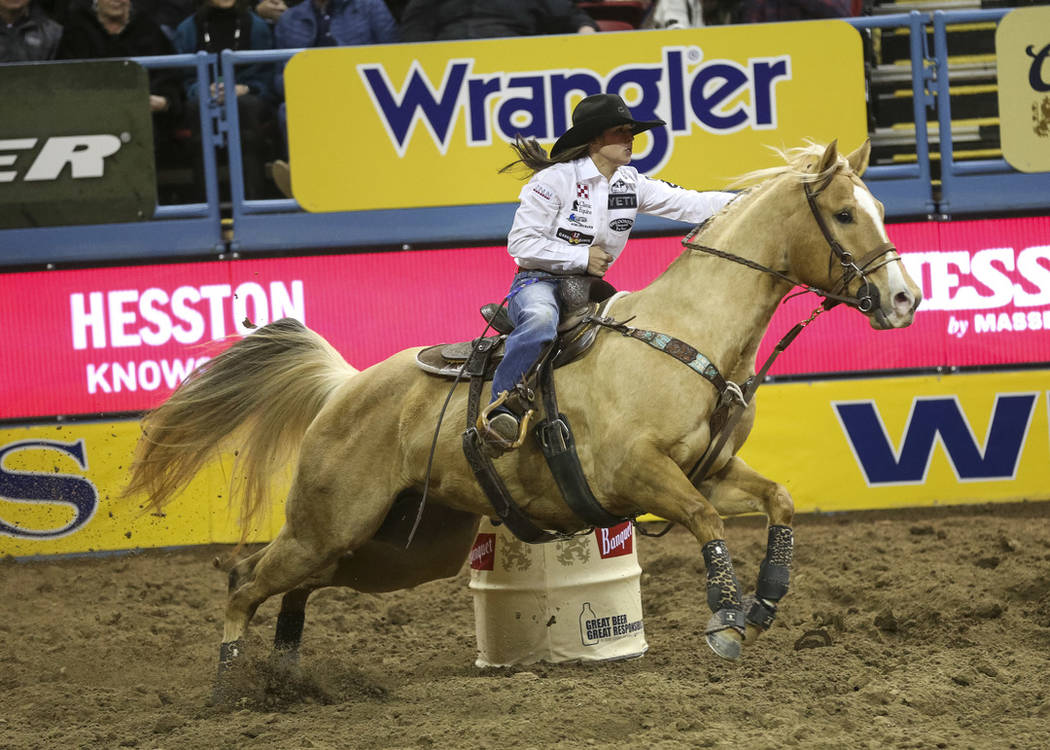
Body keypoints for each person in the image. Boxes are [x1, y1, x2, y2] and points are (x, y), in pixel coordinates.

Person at [483, 93, 737, 448]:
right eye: (621, 131)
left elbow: (695, 204)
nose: (631, 137)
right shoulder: (554, 180)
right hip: (536, 282)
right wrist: (581, 258)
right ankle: (501, 408)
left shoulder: (629, 183)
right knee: (541, 321)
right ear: (596, 139)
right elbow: (521, 244)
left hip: (588, 290)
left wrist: (765, 198)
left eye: (631, 130)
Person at [173, 0, 276, 199]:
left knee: (245, 107)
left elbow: (267, 74)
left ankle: (253, 200)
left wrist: (246, 88)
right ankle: (204, 203)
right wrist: (202, 89)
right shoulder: (187, 29)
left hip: (247, 96)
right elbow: (183, 77)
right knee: (197, 109)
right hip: (204, 96)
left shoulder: (257, 27)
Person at [399, 0, 596, 42]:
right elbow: (412, 38)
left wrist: (584, 28)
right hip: (449, 66)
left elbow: (570, 17)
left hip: (516, 59)